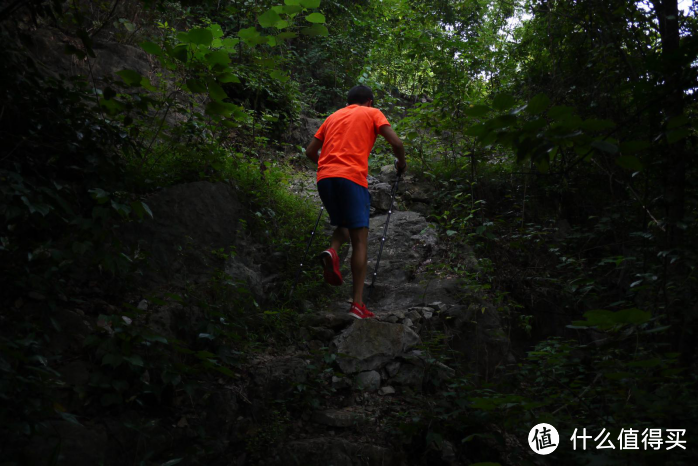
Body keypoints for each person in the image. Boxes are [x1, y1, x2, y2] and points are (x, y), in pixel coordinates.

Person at [305, 85, 406, 319]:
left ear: (348, 101)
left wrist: (328, 166)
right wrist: (401, 164)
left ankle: (333, 249)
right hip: (351, 179)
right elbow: (397, 143)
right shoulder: (372, 113)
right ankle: (357, 304)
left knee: (343, 225)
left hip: (325, 178)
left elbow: (310, 151)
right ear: (369, 102)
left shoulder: (332, 117)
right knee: (360, 239)